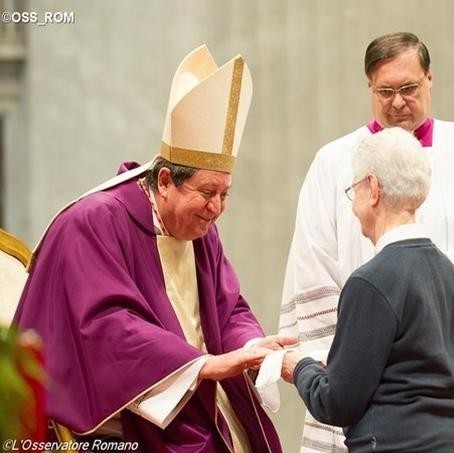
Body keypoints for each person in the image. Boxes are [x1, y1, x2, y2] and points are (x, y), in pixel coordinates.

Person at [14, 45, 295, 452]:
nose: (217, 208)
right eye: (207, 192)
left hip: (196, 393)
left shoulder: (199, 225)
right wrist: (201, 365)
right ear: (164, 180)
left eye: (225, 194)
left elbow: (228, 306)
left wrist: (252, 349)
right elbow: (107, 327)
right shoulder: (94, 222)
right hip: (124, 414)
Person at [279, 31, 454, 452]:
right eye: (386, 91)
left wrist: (425, 285)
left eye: (409, 88)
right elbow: (313, 263)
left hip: (451, 381)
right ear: (368, 87)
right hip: (368, 390)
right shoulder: (333, 163)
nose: (398, 101)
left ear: (430, 79)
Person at [281, 127, 454, 452]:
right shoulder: (451, 275)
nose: (353, 204)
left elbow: (337, 402)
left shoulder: (370, 282)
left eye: (353, 190)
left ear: (371, 188)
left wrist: (299, 366)